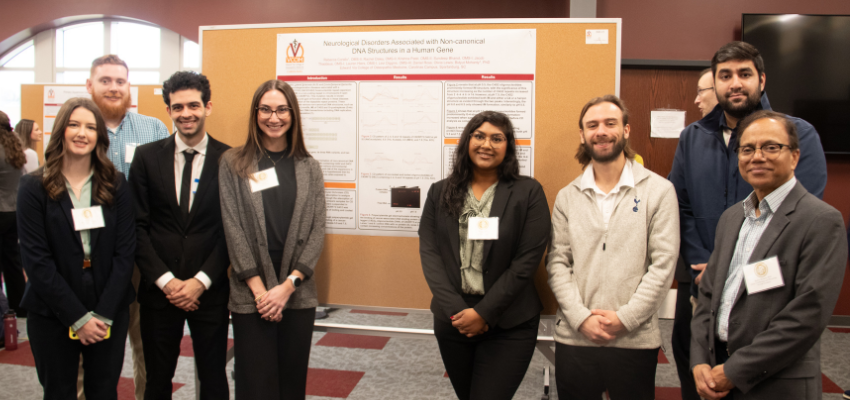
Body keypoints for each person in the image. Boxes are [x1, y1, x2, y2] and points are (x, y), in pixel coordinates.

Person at [690, 110, 847, 400]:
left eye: (771, 147)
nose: (757, 156)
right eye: (747, 149)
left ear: (795, 156)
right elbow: (707, 296)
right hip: (715, 372)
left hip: (776, 383)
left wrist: (734, 371)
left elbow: (807, 316)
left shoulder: (822, 220)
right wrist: (699, 359)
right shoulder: (731, 218)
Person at [547, 95, 679, 400]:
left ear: (627, 130)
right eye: (592, 125)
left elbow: (663, 265)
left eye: (610, 123)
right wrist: (581, 318)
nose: (601, 131)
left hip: (634, 338)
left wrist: (626, 319)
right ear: (582, 134)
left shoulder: (659, 191)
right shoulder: (568, 196)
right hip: (576, 337)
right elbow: (557, 263)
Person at [419, 111, 550, 400]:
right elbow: (430, 254)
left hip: (509, 321)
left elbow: (526, 261)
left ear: (509, 146)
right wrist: (457, 311)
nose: (486, 144)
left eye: (497, 138)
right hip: (453, 320)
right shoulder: (439, 192)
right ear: (467, 141)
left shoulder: (528, 192)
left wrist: (484, 313)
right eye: (479, 136)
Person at [17, 97, 136, 399]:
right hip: (52, 307)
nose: (82, 133)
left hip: (108, 304)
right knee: (58, 391)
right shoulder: (34, 187)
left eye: (90, 127)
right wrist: (78, 318)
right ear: (61, 131)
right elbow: (36, 261)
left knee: (104, 390)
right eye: (74, 125)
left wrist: (104, 315)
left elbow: (125, 254)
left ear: (99, 136)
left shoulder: (116, 184)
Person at [219, 79, 325, 399]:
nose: (273, 117)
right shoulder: (234, 163)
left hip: (297, 292)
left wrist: (286, 287)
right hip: (251, 294)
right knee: (254, 385)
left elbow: (318, 230)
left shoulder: (310, 167)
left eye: (282, 109)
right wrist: (262, 292)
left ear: (293, 114)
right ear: (255, 114)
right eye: (265, 109)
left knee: (291, 385)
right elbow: (232, 226)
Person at [130, 71, 231, 399]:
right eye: (177, 107)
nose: (186, 113)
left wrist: (200, 280)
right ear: (168, 110)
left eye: (193, 105)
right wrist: (167, 281)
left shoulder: (230, 160)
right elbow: (137, 227)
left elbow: (232, 231)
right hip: (160, 293)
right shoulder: (146, 159)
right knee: (157, 379)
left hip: (210, 290)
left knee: (213, 377)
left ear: (208, 107)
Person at [85, 54, 169, 400]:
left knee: (146, 343)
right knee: (90, 339)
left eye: (120, 81)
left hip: (142, 255)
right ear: (89, 86)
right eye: (105, 80)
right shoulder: (78, 130)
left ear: (129, 87)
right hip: (91, 256)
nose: (114, 87)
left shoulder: (154, 130)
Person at [671, 66, 720, 400]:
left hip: (755, 280)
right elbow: (681, 204)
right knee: (689, 355)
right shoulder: (692, 137)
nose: (696, 98)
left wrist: (723, 268)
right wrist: (702, 262)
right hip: (695, 274)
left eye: (702, 91)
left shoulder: (790, 132)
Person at [0, 111, 26, 320]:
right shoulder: (15, 147)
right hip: (14, 211)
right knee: (12, 261)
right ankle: (19, 305)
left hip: (0, 210)